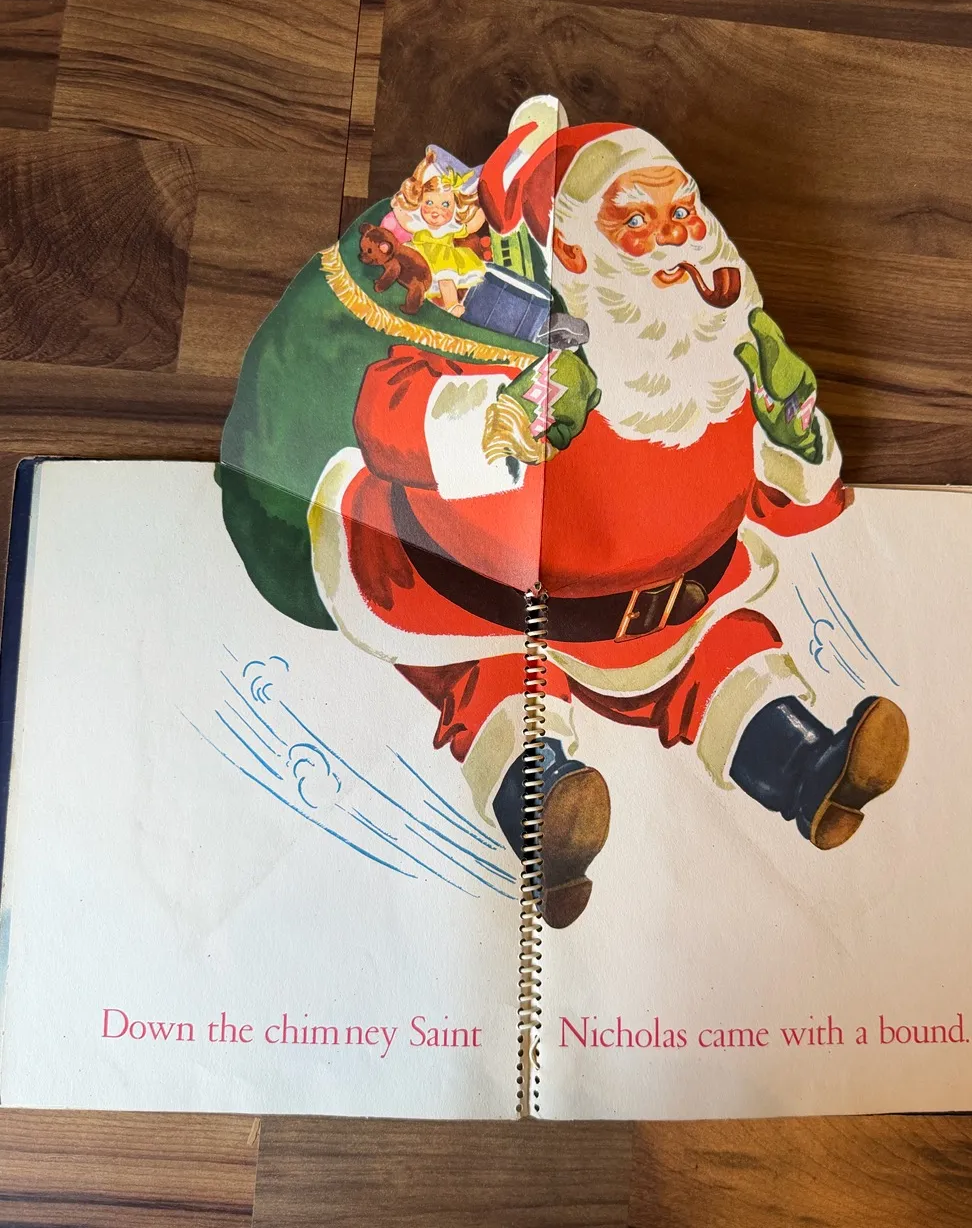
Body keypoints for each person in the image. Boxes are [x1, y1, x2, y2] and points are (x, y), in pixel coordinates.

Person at [253, 100, 911, 929]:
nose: (676, 240)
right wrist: (500, 414)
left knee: (729, 657)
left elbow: (790, 506)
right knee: (500, 688)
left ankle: (811, 774)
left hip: (674, 614)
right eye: (636, 221)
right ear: (571, 250)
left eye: (683, 213)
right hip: (480, 603)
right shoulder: (501, 320)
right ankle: (550, 826)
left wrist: (793, 432)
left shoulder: (724, 343)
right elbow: (387, 409)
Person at [387, 149, 487, 316]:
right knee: (409, 275)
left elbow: (472, 226)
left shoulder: (450, 228)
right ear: (420, 201)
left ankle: (452, 306)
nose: (436, 211)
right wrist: (397, 205)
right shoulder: (419, 224)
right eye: (429, 203)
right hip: (418, 256)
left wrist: (484, 207)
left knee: (446, 280)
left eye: (445, 205)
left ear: (456, 207)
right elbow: (405, 221)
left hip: (443, 259)